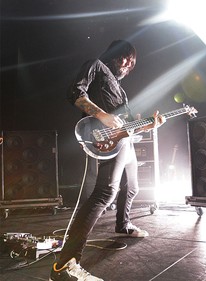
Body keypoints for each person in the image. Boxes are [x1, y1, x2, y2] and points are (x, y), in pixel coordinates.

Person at [49, 40, 166, 281]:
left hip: (125, 140)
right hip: (107, 138)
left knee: (132, 186)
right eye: (124, 56)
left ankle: (123, 225)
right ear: (113, 54)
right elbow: (75, 92)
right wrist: (102, 116)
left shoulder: (121, 91)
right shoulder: (96, 65)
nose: (126, 63)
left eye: (131, 61)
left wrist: (150, 125)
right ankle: (64, 265)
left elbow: (129, 126)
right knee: (105, 192)